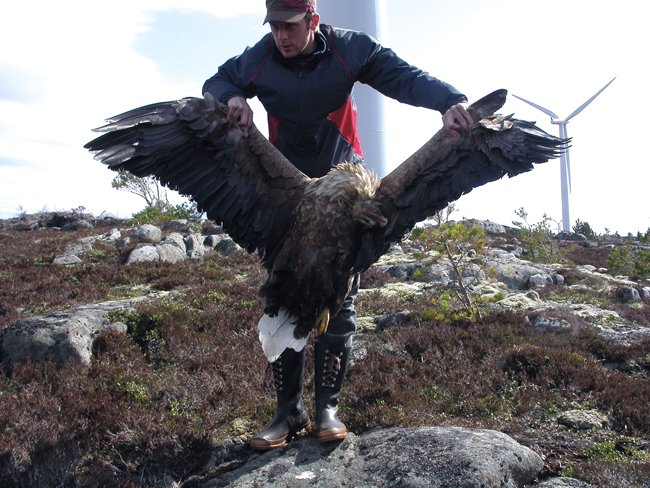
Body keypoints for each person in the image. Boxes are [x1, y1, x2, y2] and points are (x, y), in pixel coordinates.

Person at [202, 0, 473, 451]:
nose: (281, 36)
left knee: (338, 298)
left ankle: (327, 407)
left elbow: (403, 77)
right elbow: (220, 78)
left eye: (289, 27)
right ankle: (287, 413)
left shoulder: (350, 49)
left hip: (345, 189)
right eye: (273, 27)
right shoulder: (262, 56)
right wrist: (232, 97)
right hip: (285, 194)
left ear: (312, 21)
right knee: (284, 295)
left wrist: (449, 100)